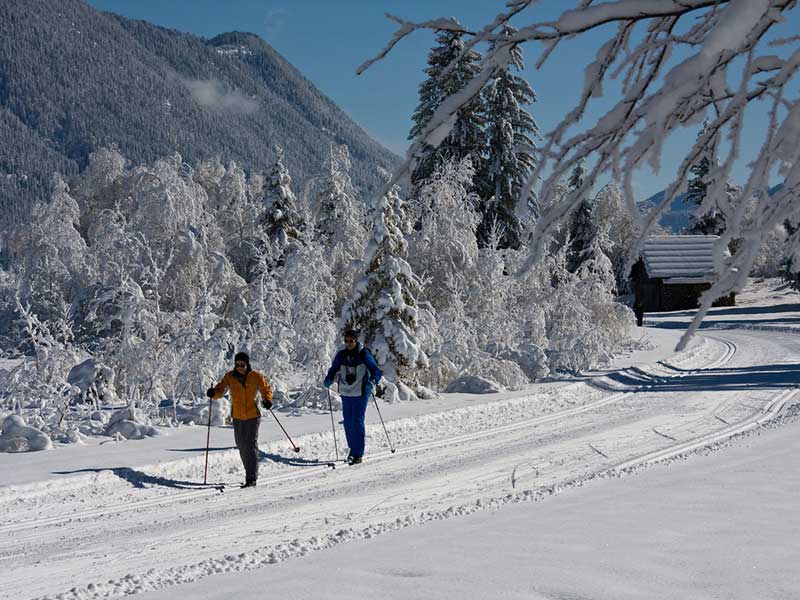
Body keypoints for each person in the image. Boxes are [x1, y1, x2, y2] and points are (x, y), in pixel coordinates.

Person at [207, 351, 272, 488]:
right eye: (237, 365)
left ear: (247, 364)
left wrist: (267, 400)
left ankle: (251, 477)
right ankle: (249, 471)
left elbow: (266, 389)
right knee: (241, 446)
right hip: (237, 416)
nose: (240, 367)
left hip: (253, 415)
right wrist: (213, 394)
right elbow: (221, 389)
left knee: (250, 445)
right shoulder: (230, 377)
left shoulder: (255, 376)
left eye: (242, 365)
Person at [323, 329, 382, 465]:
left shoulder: (363, 354)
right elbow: (333, 370)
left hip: (361, 392)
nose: (348, 343)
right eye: (346, 341)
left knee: (357, 421)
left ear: (356, 341)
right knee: (348, 422)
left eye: (351, 341)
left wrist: (372, 381)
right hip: (346, 393)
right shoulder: (342, 355)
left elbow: (376, 371)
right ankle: (352, 449)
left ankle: (358, 454)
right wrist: (328, 379)